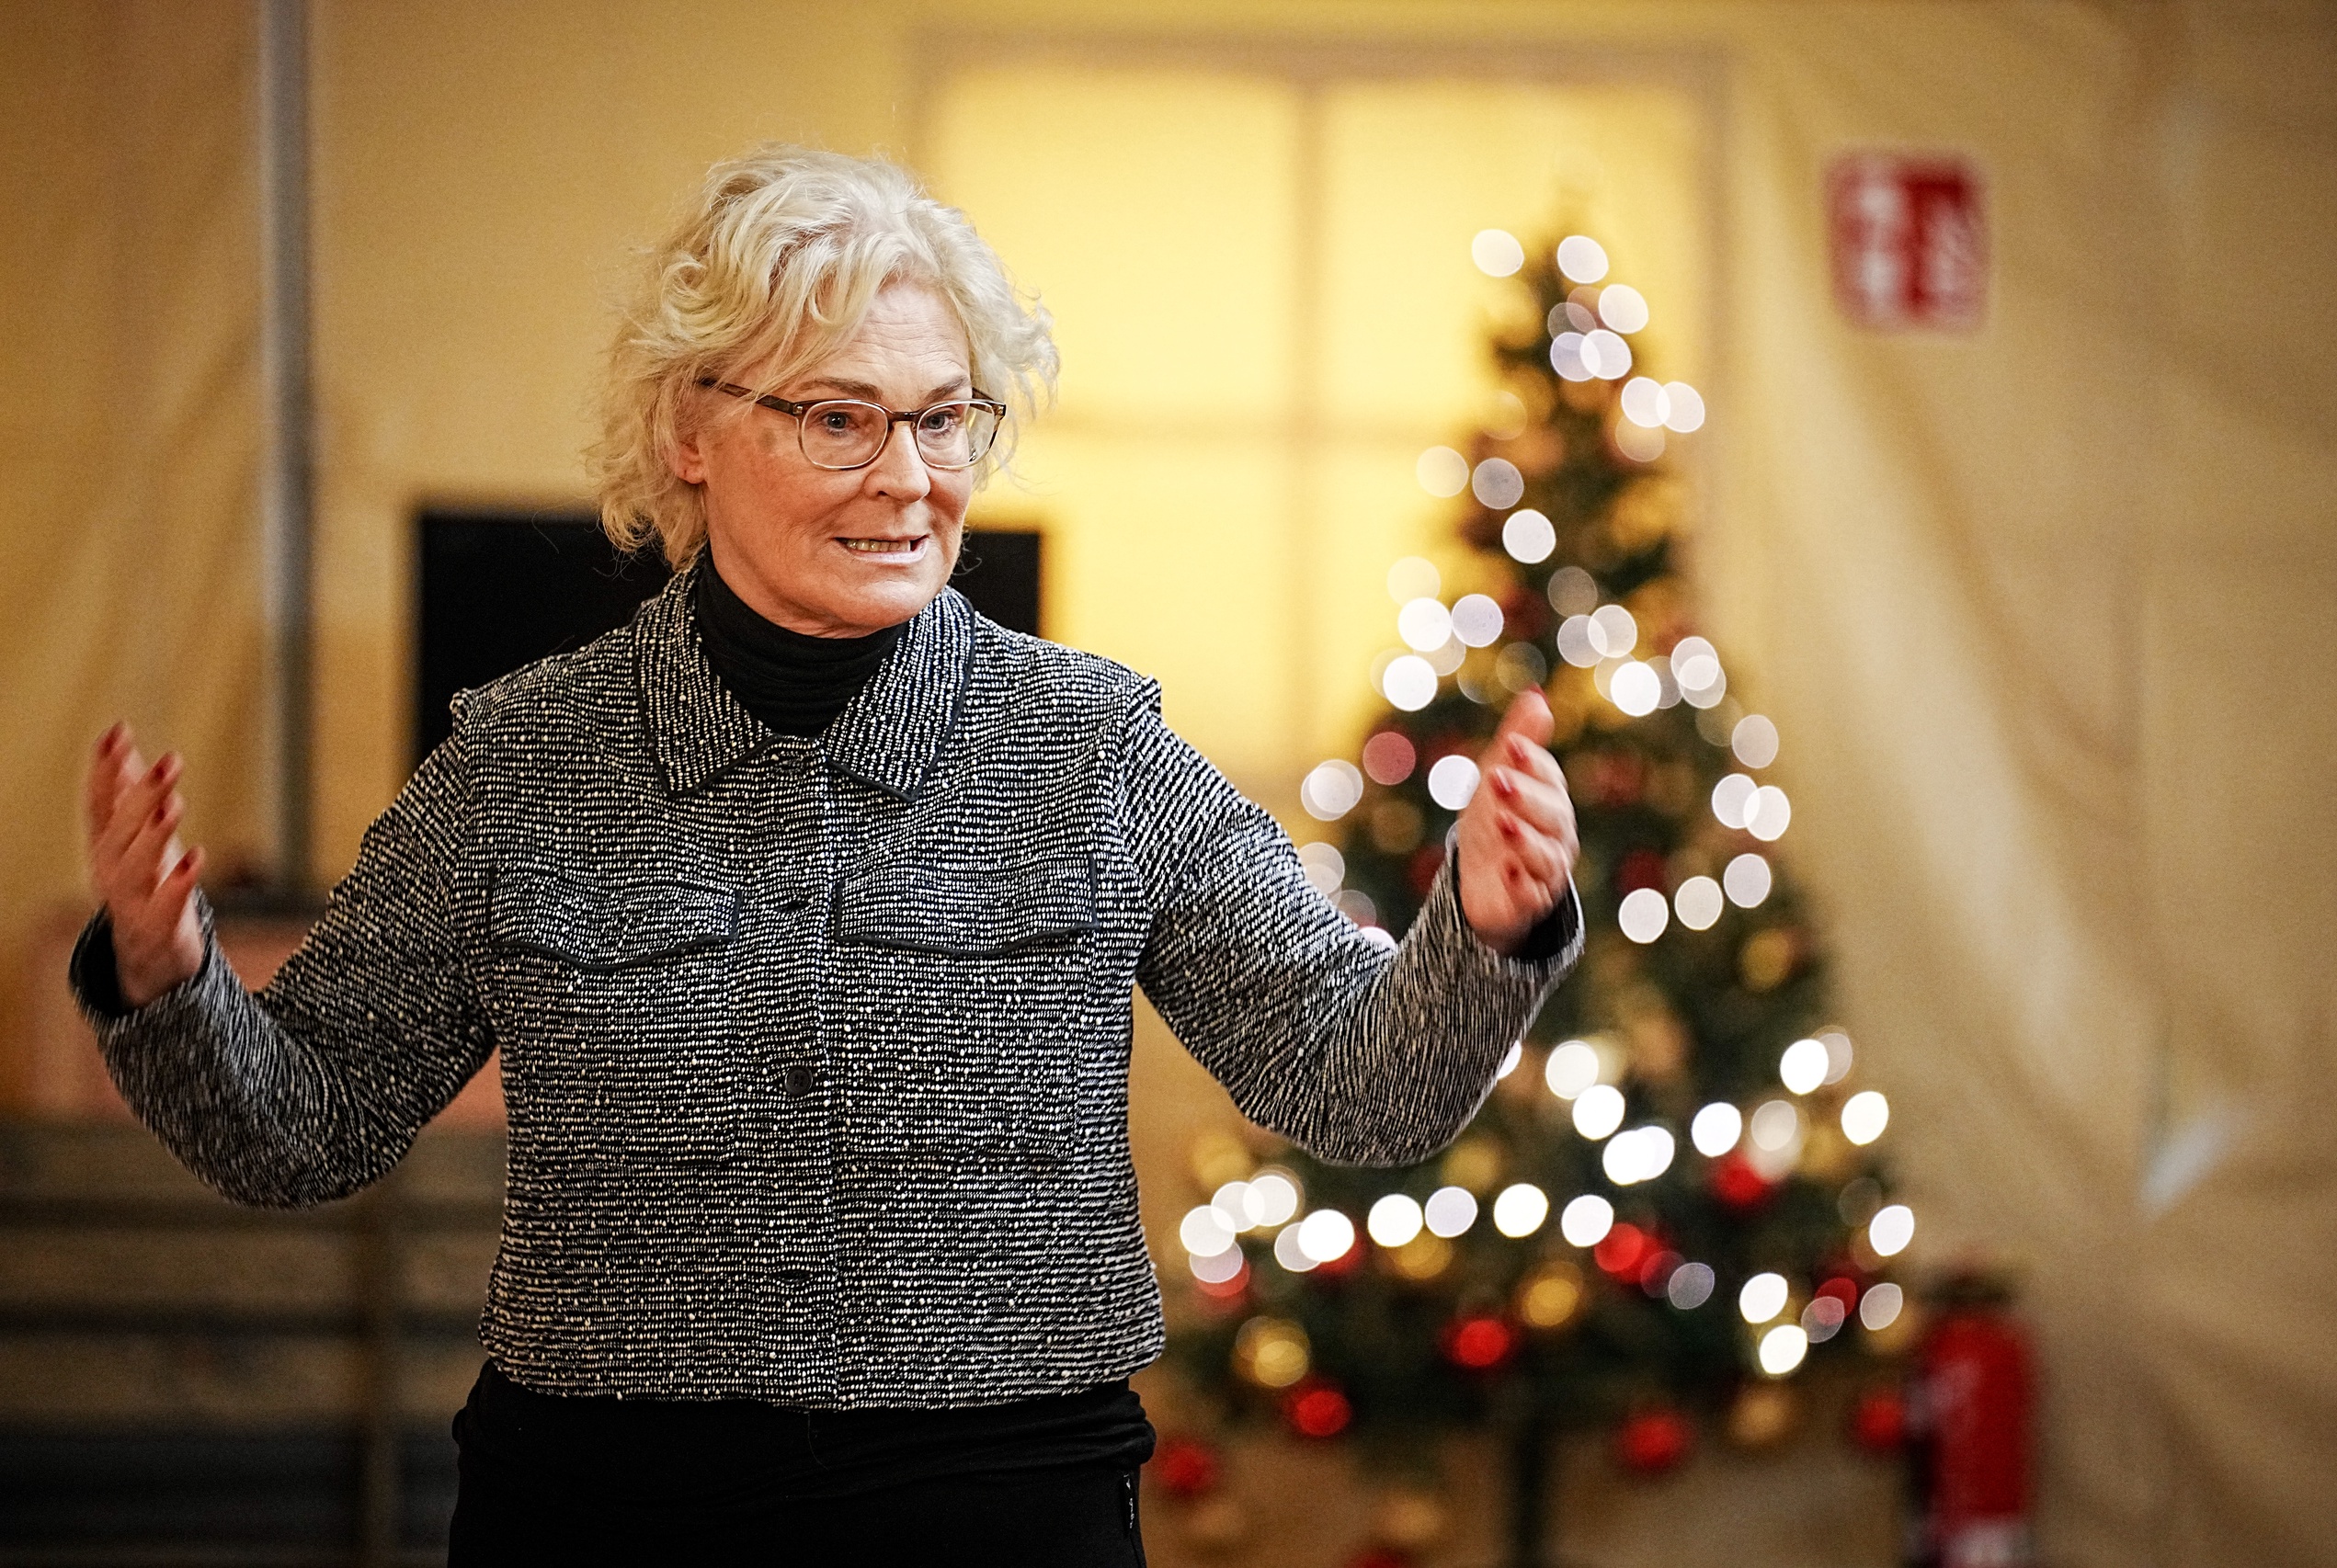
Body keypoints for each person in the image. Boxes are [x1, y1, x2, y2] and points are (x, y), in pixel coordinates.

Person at [75, 147, 1583, 1566]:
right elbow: (304, 1126)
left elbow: (1355, 1082)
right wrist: (167, 972)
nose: (909, 477)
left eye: (946, 418)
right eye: (840, 416)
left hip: (1003, 1511)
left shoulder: (1097, 748)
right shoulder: (521, 763)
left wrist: (1488, 929)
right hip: (601, 1515)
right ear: (689, 427)